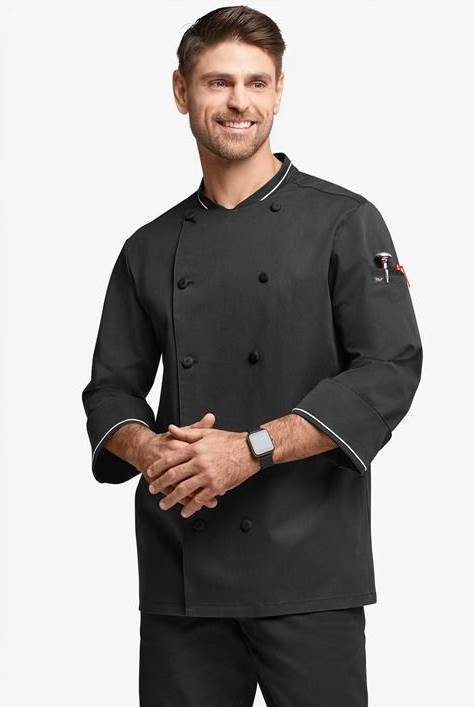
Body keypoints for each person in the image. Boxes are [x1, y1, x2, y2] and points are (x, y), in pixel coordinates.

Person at [81, 5, 423, 706]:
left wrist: (250, 449)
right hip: (183, 573)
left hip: (311, 574)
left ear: (279, 92)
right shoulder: (147, 247)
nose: (240, 101)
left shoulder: (345, 221)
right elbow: (109, 390)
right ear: (182, 91)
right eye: (219, 82)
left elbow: (389, 367)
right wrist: (154, 452)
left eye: (256, 82)